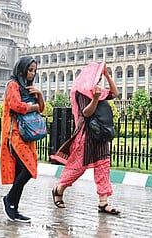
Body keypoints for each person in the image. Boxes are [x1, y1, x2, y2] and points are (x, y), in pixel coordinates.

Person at [50, 62, 121, 215]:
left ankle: (103, 203)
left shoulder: (99, 91)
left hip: (100, 135)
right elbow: (86, 113)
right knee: (77, 168)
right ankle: (59, 189)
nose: (99, 80)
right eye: (98, 77)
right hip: (86, 136)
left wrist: (108, 76)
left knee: (103, 167)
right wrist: (95, 99)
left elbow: (115, 94)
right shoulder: (80, 92)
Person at [0, 57, 45, 223]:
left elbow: (42, 107)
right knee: (28, 170)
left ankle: (14, 208)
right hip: (15, 134)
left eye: (34, 70)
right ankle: (9, 200)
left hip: (27, 135)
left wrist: (39, 94)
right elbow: (16, 105)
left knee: (23, 171)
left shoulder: (28, 88)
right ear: (22, 69)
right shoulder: (13, 85)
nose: (32, 74)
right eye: (29, 70)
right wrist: (33, 106)